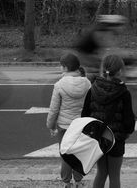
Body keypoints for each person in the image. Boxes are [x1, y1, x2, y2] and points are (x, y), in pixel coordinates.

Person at [81, 54, 135, 188]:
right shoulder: (124, 93)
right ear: (120, 71)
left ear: (103, 69)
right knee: (114, 176)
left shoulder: (92, 89)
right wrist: (126, 133)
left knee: (101, 172)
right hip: (116, 140)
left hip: (98, 139)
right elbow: (129, 123)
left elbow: (84, 116)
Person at [46, 53, 91, 188]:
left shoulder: (59, 85)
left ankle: (66, 183)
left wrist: (50, 125)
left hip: (64, 126)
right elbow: (90, 105)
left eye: (61, 66)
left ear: (65, 67)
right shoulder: (87, 83)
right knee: (78, 153)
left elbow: (54, 110)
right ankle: (78, 180)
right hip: (81, 125)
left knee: (65, 153)